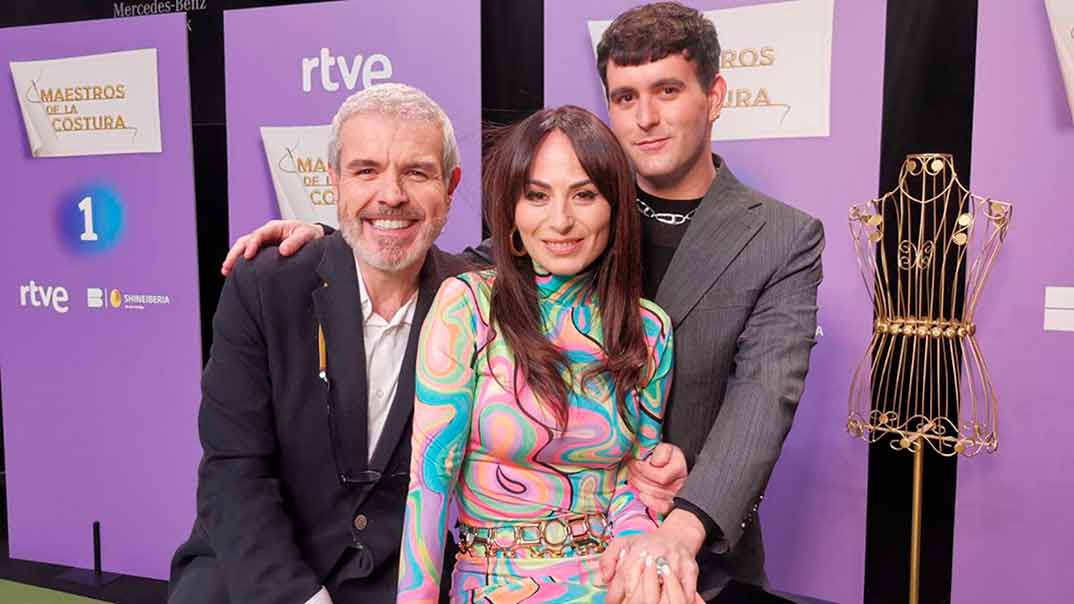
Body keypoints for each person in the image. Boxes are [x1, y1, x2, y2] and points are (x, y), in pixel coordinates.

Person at [223, 3, 824, 601]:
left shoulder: (778, 239)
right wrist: (336, 242)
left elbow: (763, 401)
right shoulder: (495, 278)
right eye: (624, 97)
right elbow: (439, 261)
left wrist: (676, 531)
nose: (646, 118)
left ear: (714, 95)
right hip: (499, 572)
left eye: (667, 90)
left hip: (685, 555)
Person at [168, 83, 470, 604]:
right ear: (334, 181)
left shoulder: (478, 299)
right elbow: (234, 468)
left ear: (451, 187)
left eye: (416, 172)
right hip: (260, 568)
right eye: (366, 170)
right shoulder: (265, 285)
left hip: (404, 582)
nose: (391, 194)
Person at [396, 106, 679, 603]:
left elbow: (636, 485)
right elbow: (429, 485)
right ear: (513, 212)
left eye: (585, 195)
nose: (561, 220)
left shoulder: (648, 328)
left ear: (614, 206)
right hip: (494, 584)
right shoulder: (470, 307)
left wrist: (638, 544)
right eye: (538, 196)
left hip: (611, 583)